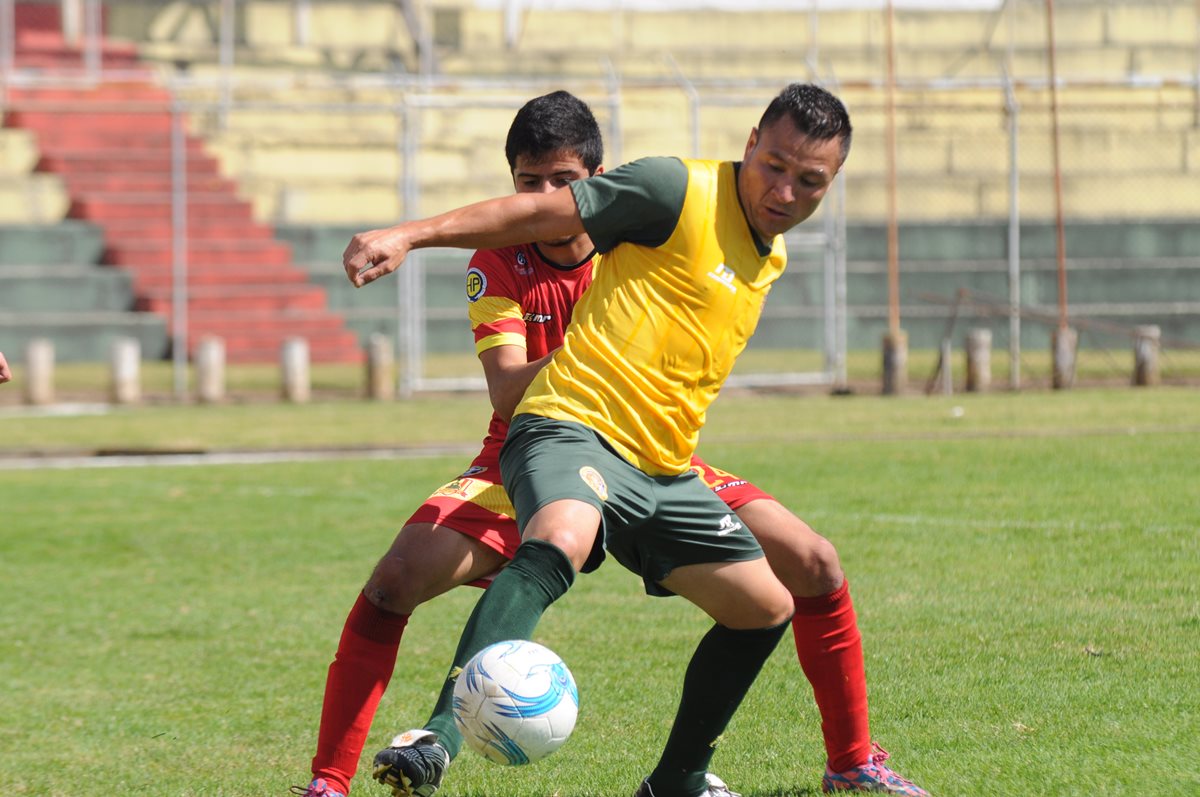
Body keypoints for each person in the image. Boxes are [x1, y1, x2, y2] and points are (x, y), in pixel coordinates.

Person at [338, 86, 927, 797]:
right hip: (571, 425)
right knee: (557, 536)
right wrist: (410, 233)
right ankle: (439, 735)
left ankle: (682, 780)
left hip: (660, 465)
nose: (785, 191)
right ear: (749, 144)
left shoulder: (767, 257)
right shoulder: (674, 190)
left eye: (810, 180)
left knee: (766, 604)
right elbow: (542, 215)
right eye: (774, 166)